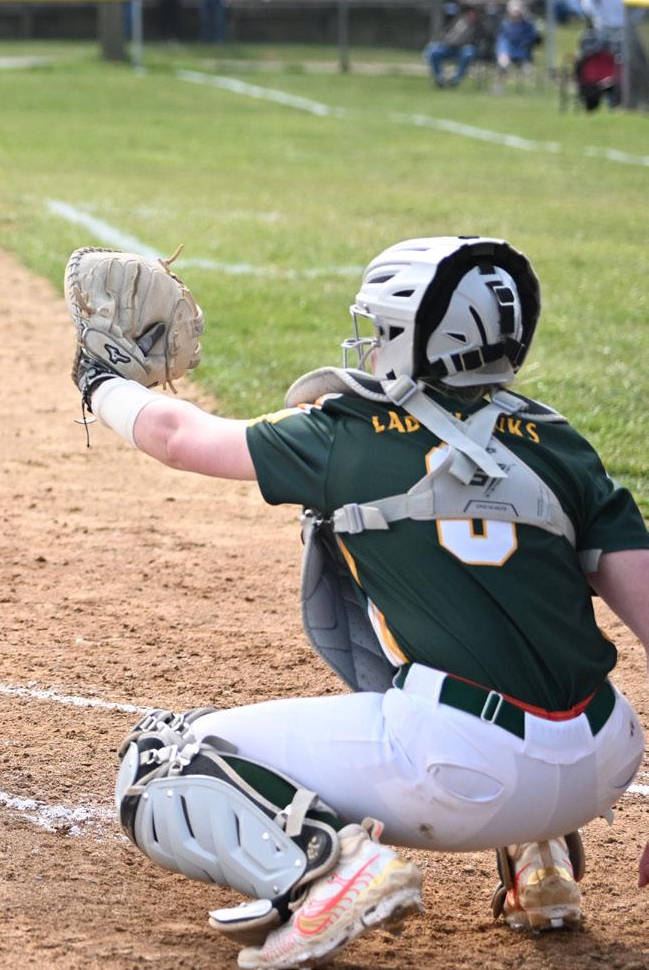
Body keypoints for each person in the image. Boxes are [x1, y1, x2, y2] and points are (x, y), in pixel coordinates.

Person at [74, 236, 648, 969]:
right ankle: (542, 860)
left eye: (382, 329)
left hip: (462, 771)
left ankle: (326, 871)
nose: (372, 344)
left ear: (414, 338)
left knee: (159, 758)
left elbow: (177, 436)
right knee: (511, 633)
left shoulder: (349, 433)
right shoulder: (561, 444)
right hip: (605, 759)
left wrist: (98, 379)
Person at [581, 0, 648, 107]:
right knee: (601, 61)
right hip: (603, 30)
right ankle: (595, 95)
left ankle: (630, 97)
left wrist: (633, 21)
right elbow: (588, 2)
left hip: (628, 31)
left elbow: (643, 1)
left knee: (632, 63)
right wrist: (599, 20)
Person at [424, 6, 485, 87]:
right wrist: (443, 39)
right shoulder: (456, 21)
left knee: (468, 52)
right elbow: (444, 33)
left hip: (462, 50)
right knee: (433, 50)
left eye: (474, 14)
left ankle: (456, 78)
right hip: (447, 47)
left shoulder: (478, 27)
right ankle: (439, 78)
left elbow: (478, 41)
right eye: (469, 13)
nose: (471, 16)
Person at [493, 0, 540, 92]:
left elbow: (532, 38)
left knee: (527, 69)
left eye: (517, 11)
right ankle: (499, 87)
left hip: (524, 54)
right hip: (509, 52)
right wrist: (503, 53)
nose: (515, 14)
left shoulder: (528, 25)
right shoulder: (505, 25)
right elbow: (502, 40)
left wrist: (525, 47)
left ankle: (527, 91)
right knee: (502, 64)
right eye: (513, 11)